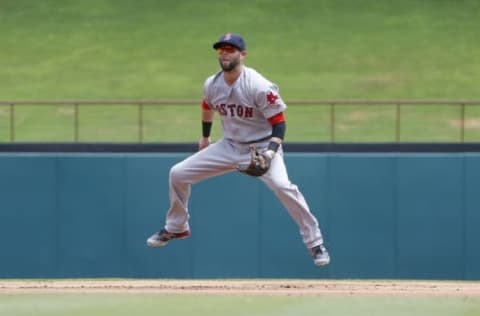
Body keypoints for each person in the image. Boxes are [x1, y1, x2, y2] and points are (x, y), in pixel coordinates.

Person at [146, 33, 330, 266]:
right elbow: (207, 105)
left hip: (262, 146)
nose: (224, 53)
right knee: (178, 173)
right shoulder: (212, 84)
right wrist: (205, 137)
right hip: (229, 145)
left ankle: (315, 243)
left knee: (284, 187)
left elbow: (280, 123)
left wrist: (270, 153)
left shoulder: (259, 86)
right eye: (221, 49)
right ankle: (176, 227)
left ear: (242, 55)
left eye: (230, 49)